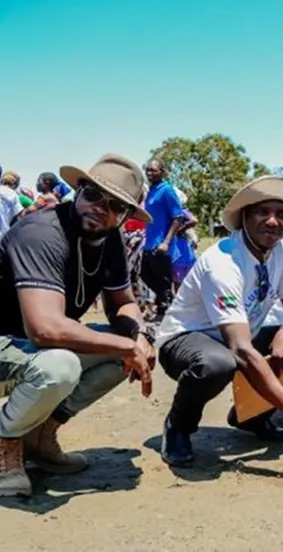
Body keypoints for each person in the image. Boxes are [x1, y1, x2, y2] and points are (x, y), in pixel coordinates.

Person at [0, 154, 154, 497]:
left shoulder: (110, 239)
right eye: (93, 194)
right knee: (61, 366)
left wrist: (140, 336)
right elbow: (45, 329)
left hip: (27, 344)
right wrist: (128, 345)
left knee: (120, 350)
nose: (100, 207)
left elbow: (123, 303)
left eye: (114, 205)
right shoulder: (42, 233)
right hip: (7, 340)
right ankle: (4, 444)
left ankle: (38, 439)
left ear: (126, 216)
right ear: (77, 190)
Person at [155, 176, 283, 467]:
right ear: (245, 217)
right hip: (190, 338)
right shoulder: (223, 262)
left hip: (242, 333)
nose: (272, 221)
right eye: (263, 212)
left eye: (281, 214)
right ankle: (179, 425)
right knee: (218, 364)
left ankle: (251, 416)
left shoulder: (278, 250)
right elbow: (239, 350)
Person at [141, 158, 185, 321]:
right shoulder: (151, 191)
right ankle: (167, 306)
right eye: (148, 171)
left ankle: (166, 313)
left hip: (161, 245)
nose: (150, 174)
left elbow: (178, 217)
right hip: (149, 244)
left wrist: (166, 242)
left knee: (163, 280)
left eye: (153, 170)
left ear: (162, 172)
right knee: (144, 274)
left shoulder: (167, 190)